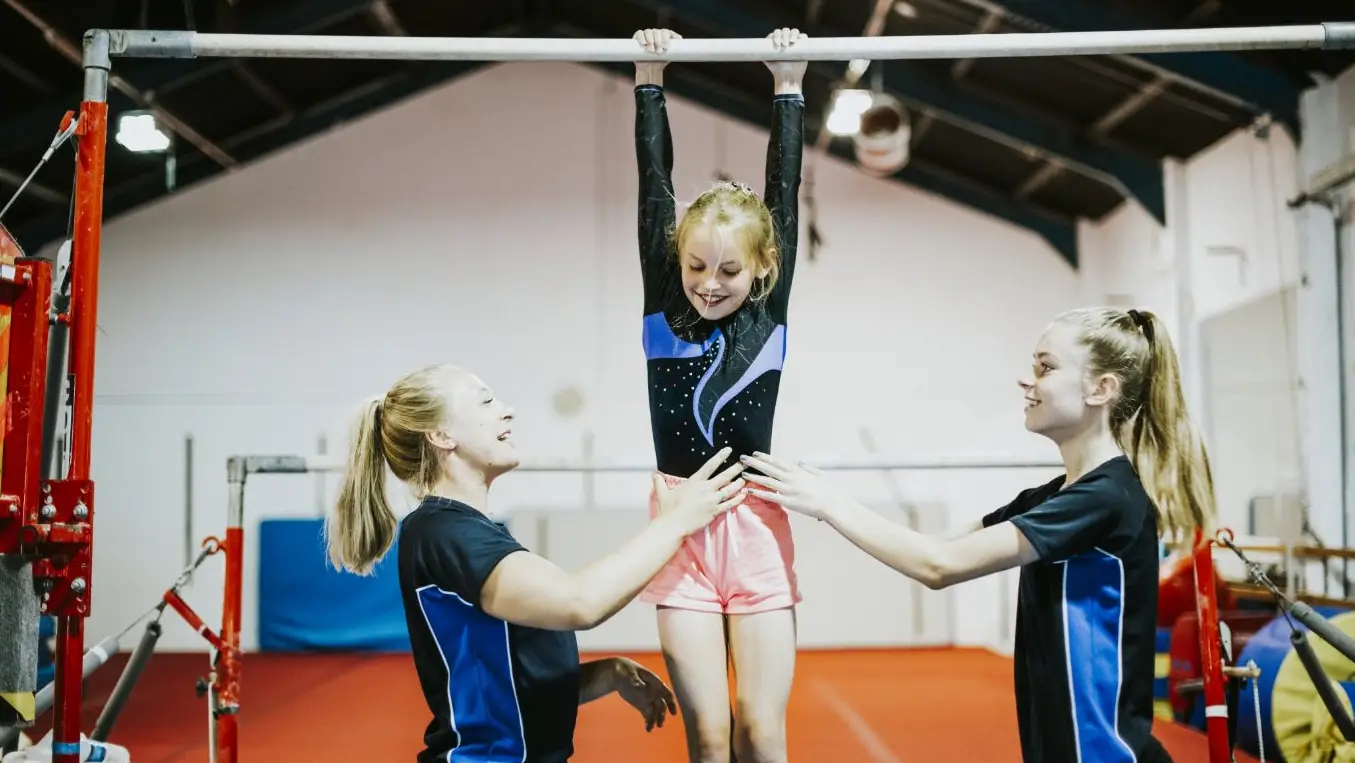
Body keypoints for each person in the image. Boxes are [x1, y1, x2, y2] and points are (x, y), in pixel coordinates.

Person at [742, 307, 1212, 763]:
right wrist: (823, 504)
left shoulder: (1105, 498)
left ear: (1101, 388)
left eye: (1046, 367)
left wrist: (828, 501)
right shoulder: (1055, 496)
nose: (1026, 380)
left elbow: (938, 567)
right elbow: (936, 546)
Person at [325, 364, 750, 763]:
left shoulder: (461, 530)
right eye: (485, 402)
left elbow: (503, 679)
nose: (507, 410)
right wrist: (675, 523)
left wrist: (601, 675)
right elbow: (579, 602)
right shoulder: (446, 534)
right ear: (441, 435)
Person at [630, 26, 807, 763]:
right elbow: (654, 184)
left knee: (758, 729)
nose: (708, 284)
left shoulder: (768, 308)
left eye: (729, 271)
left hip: (755, 521)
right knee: (706, 736)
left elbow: (783, 192)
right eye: (696, 266)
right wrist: (649, 79)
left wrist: (788, 86)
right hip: (680, 525)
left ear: (763, 266)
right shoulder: (664, 300)